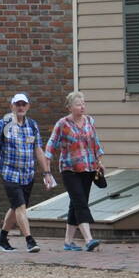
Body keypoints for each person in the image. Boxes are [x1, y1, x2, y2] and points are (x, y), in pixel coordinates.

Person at [0, 92, 51, 253]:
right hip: (9, 173)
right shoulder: (2, 125)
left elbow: (38, 149)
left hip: (27, 174)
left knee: (16, 208)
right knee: (21, 207)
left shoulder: (32, 126)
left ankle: (2, 238)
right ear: (12, 106)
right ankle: (30, 240)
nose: (21, 107)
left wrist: (47, 173)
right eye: (18, 104)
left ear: (28, 106)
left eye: (24, 104)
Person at [45, 91, 105, 252]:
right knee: (80, 202)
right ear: (70, 107)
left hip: (89, 168)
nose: (82, 107)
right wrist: (47, 170)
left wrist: (99, 162)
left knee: (76, 204)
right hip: (70, 169)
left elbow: (95, 142)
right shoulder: (62, 124)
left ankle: (68, 242)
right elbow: (51, 145)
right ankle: (89, 239)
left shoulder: (89, 121)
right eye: (78, 104)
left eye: (83, 103)